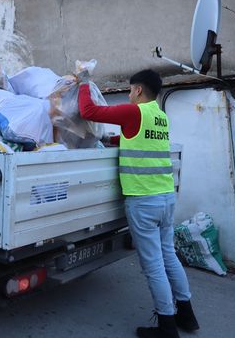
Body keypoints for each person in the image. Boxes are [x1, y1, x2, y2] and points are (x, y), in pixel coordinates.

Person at [78, 69, 199, 338]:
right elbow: (144, 141)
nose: (130, 94)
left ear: (139, 90)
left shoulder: (133, 112)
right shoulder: (160, 117)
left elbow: (88, 111)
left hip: (143, 201)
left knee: (154, 264)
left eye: (131, 90)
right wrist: (115, 140)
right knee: (168, 256)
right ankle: (187, 316)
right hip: (166, 197)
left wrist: (84, 81)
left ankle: (167, 326)